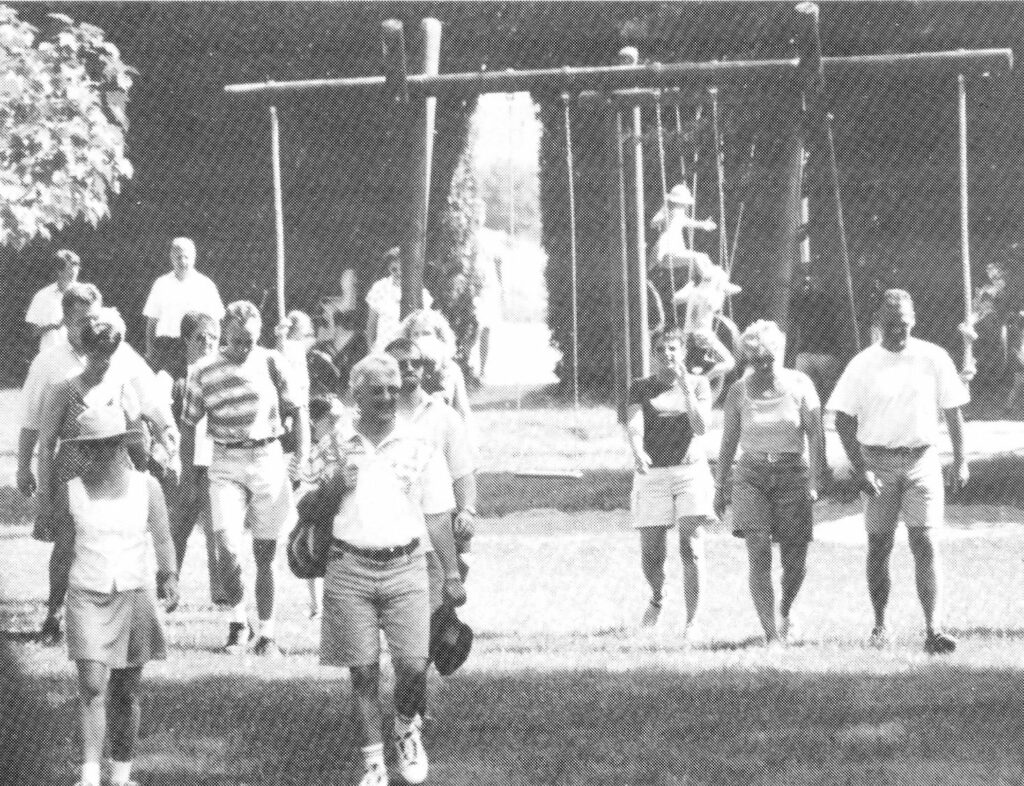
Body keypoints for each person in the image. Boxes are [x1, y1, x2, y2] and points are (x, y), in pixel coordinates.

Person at [19, 289, 177, 645]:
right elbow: (46, 447)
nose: (105, 363)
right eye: (99, 356)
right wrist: (44, 496)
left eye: (110, 355)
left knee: (114, 542)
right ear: (87, 352)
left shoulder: (122, 387)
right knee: (66, 546)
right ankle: (54, 612)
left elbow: (140, 431)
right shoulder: (62, 389)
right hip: (71, 476)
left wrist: (164, 444)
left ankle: (115, 609)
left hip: (115, 477)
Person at [319, 354, 441, 786]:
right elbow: (307, 503)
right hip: (349, 566)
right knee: (364, 672)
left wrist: (450, 573)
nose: (389, 397)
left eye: (393, 390)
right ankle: (373, 763)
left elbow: (438, 511)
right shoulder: (335, 439)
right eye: (378, 391)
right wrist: (335, 483)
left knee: (413, 665)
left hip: (406, 567)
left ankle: (406, 727)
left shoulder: (417, 442)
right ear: (356, 395)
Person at [828, 289, 968, 654]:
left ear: (914, 321)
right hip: (877, 463)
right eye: (890, 326)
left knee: (926, 542)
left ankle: (933, 628)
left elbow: (953, 412)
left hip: (923, 460)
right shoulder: (863, 364)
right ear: (878, 324)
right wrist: (860, 468)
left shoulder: (933, 357)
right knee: (879, 544)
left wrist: (961, 459)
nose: (897, 333)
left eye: (903, 325)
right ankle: (879, 624)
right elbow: (842, 419)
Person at [60, 404, 179, 786]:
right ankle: (90, 776)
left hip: (135, 593)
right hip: (86, 595)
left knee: (126, 691)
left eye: (100, 447)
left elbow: (162, 537)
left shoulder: (148, 487)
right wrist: (52, 603)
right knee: (93, 686)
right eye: (85, 448)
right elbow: (63, 548)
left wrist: (169, 576)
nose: (90, 456)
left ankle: (121, 776)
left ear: (118, 448)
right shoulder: (72, 491)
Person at [181, 301, 309, 657]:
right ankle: (238, 622)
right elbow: (189, 425)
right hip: (225, 461)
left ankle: (266, 634)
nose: (242, 348)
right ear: (225, 333)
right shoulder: (203, 370)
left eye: (249, 340)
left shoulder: (271, 361)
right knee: (227, 549)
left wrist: (300, 460)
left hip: (268, 457)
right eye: (236, 340)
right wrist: (189, 475)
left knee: (265, 554)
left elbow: (298, 411)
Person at [715, 320, 826, 644]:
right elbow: (728, 441)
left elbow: (816, 434)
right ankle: (771, 636)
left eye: (768, 360)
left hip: (793, 474)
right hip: (751, 476)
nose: (762, 367)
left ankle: (786, 610)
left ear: (780, 352)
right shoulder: (739, 391)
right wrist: (720, 485)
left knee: (795, 562)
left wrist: (815, 479)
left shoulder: (801, 384)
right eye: (755, 361)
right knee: (758, 550)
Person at [625, 328, 716, 633]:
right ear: (653, 354)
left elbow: (701, 427)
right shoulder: (640, 387)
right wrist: (637, 450)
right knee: (652, 553)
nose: (668, 354)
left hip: (689, 472)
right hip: (652, 475)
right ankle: (658, 596)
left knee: (691, 545)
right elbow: (635, 424)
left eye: (674, 348)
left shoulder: (700, 384)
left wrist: (687, 389)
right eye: (662, 349)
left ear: (683, 352)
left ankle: (692, 622)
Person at [163, 312, 226, 605]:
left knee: (216, 531)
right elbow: (160, 418)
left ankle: (222, 594)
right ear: (186, 339)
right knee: (175, 530)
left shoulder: (223, 374)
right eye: (200, 337)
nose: (207, 343)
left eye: (213, 338)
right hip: (182, 463)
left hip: (214, 462)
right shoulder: (172, 376)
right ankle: (167, 589)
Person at [143, 237, 225, 370]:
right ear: (171, 258)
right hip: (166, 350)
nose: (183, 261)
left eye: (186, 257)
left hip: (196, 349)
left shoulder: (206, 285)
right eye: (178, 257)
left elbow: (216, 323)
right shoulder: (161, 284)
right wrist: (150, 353)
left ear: (194, 257)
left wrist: (213, 354)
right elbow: (151, 323)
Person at [399, 310, 472, 426]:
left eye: (426, 333)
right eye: (415, 334)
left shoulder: (451, 369)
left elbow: (463, 412)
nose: (420, 339)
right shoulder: (404, 369)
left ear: (439, 337)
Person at [365, 247, 433, 353]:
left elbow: (423, 327)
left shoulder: (419, 292)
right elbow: (371, 324)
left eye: (402, 268)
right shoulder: (380, 288)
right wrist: (371, 350)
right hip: (383, 349)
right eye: (394, 269)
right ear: (388, 269)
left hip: (409, 351)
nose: (399, 272)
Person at [25, 249, 81, 353]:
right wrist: (54, 325)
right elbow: (33, 332)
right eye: (69, 268)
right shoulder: (42, 296)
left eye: (76, 267)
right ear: (59, 271)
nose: (73, 271)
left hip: (78, 356)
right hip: (50, 356)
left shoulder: (86, 293)